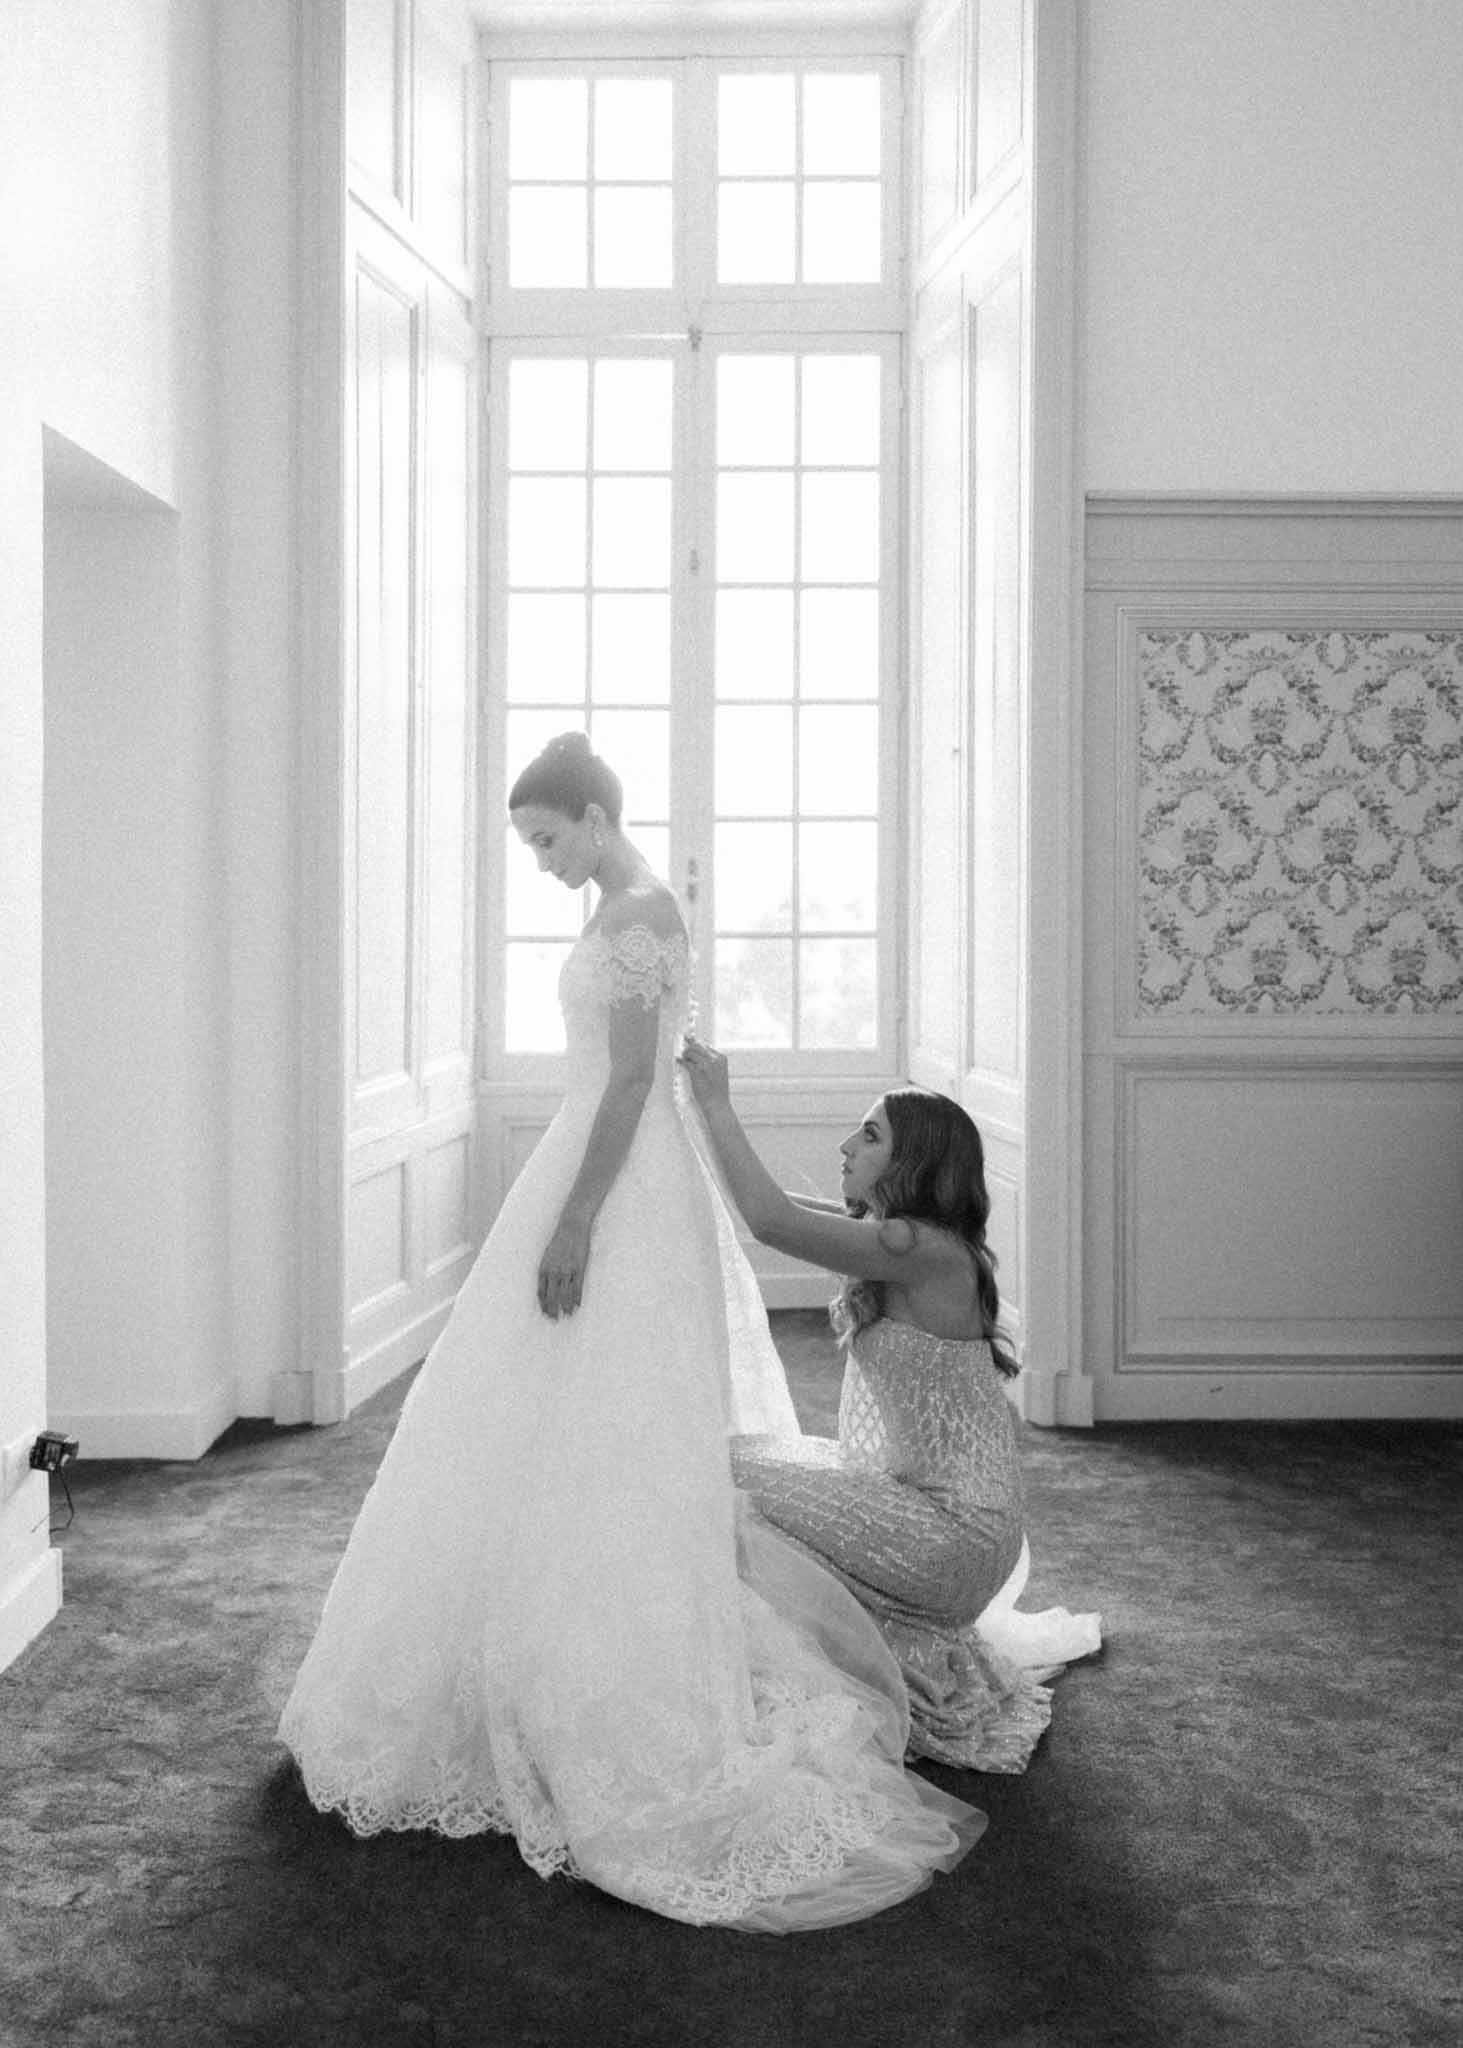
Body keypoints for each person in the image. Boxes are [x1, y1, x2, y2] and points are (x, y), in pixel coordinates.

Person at [278, 732, 983, 1932]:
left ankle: (616, 1677)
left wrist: (575, 1221)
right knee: (552, 1406)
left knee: (608, 1410)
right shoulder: (631, 908)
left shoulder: (636, 915)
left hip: (614, 1180)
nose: (541, 861)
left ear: (596, 817)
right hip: (614, 1169)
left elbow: (623, 1084)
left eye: (548, 838)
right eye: (530, 845)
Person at [677, 1041, 1101, 1771]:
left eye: (868, 1135)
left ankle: (706, 1666)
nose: (846, 1146)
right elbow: (767, 1209)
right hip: (935, 1512)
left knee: (712, 1471)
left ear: (916, 1165)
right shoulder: (906, 1242)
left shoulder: (921, 1248)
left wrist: (715, 1099)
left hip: (954, 1533)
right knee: (735, 1460)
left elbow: (770, 1221)